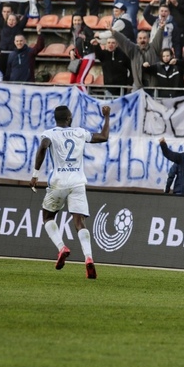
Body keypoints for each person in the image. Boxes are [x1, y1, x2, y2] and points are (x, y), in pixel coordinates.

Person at [29, 104, 110, 279]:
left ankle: (61, 247)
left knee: (48, 217)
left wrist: (35, 174)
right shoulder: (79, 132)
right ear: (68, 118)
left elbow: (43, 146)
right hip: (77, 183)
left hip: (58, 183)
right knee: (80, 222)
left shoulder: (50, 133)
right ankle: (88, 258)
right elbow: (104, 137)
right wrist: (106, 117)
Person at [111, 24, 164, 91]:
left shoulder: (154, 48)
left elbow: (158, 39)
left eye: (144, 38)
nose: (142, 40)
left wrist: (161, 28)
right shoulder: (133, 50)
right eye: (140, 38)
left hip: (152, 86)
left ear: (148, 39)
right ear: (137, 40)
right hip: (138, 86)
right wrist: (113, 31)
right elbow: (124, 41)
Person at [68, 14, 95, 89]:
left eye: (79, 20)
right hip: (78, 57)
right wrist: (71, 51)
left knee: (80, 81)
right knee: (72, 81)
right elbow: (73, 44)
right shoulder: (73, 31)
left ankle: (83, 96)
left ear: (82, 21)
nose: (77, 22)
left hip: (87, 55)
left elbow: (94, 39)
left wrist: (86, 39)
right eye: (75, 20)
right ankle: (74, 96)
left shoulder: (86, 29)